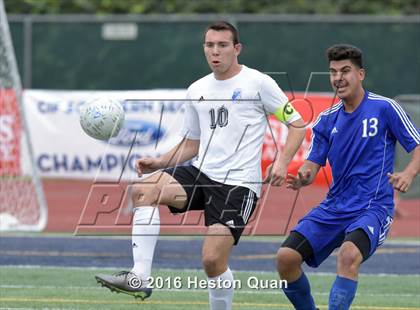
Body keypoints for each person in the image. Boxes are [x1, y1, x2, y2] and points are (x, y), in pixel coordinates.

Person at [95, 21, 306, 309]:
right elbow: (191, 144)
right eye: (210, 45)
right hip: (202, 173)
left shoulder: (258, 83)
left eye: (222, 45)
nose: (215, 51)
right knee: (143, 190)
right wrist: (158, 161)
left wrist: (282, 162)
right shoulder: (197, 89)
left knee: (212, 261)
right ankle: (140, 277)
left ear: (237, 49)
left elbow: (296, 124)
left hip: (238, 185)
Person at [277, 44, 420, 310]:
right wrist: (303, 176)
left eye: (345, 71)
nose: (338, 78)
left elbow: (417, 146)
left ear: (361, 74)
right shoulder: (325, 120)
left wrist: (409, 173)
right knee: (285, 258)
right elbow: (312, 163)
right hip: (335, 207)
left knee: (348, 255)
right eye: (333, 72)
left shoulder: (385, 108)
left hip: (373, 207)